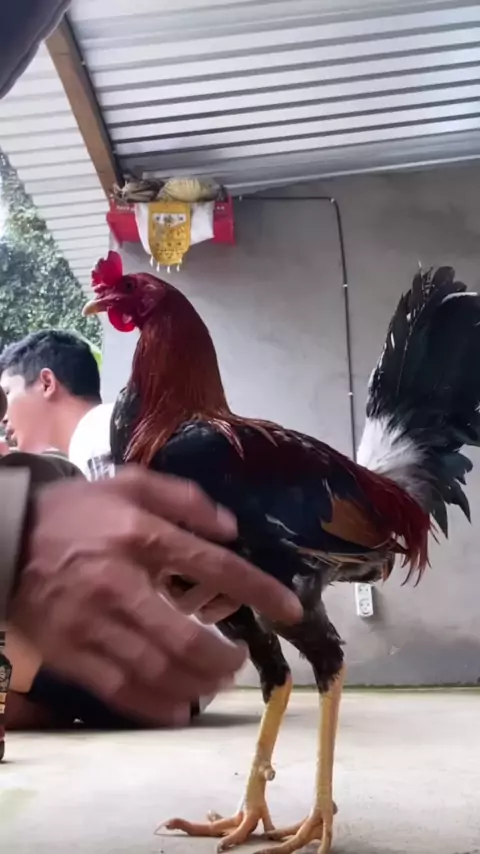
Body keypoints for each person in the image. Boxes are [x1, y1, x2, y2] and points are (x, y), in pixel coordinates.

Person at [0, 2, 303, 756]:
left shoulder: (101, 442)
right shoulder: (90, 449)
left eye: (5, 397)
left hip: (162, 661)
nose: (4, 419)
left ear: (45, 382)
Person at [0, 329, 113, 477]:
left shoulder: (96, 440)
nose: (2, 419)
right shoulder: (104, 432)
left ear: (47, 383)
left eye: (6, 393)